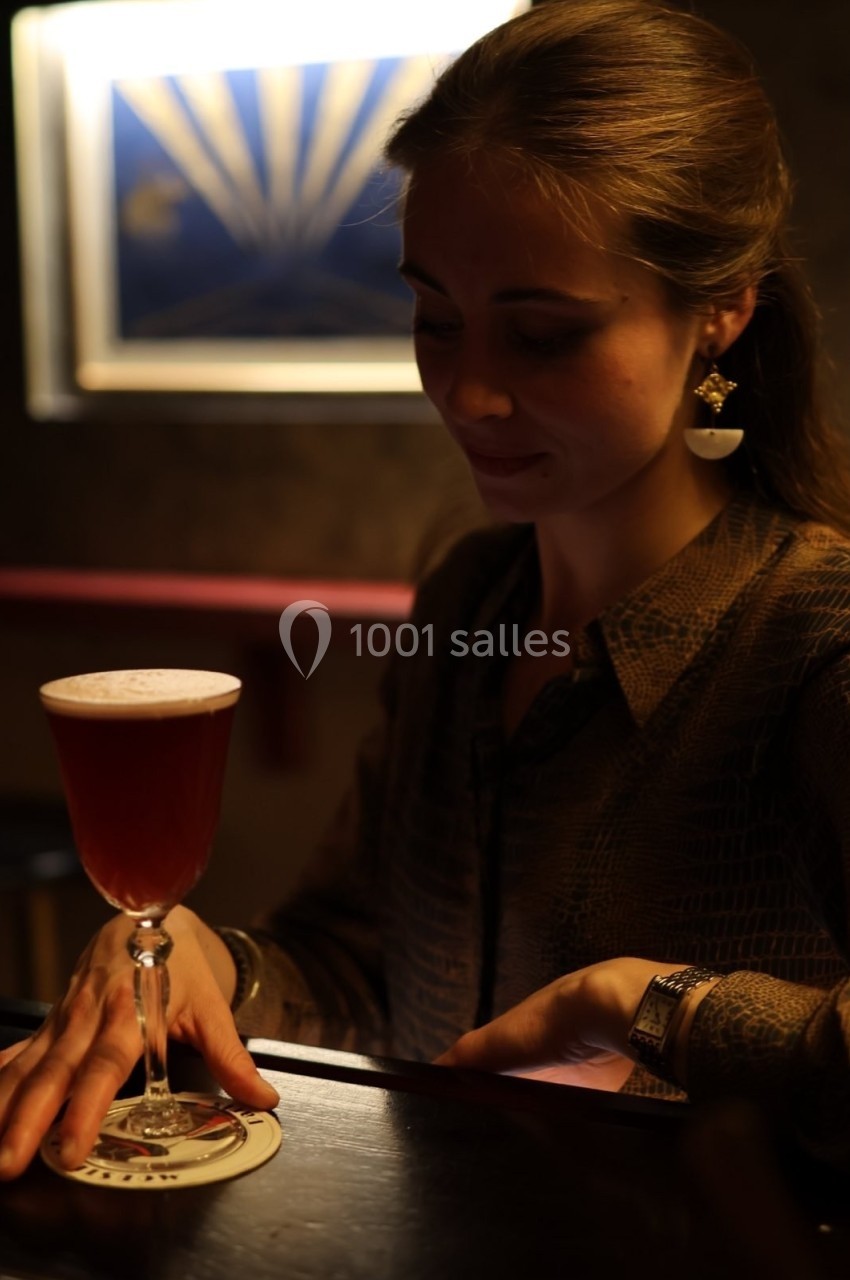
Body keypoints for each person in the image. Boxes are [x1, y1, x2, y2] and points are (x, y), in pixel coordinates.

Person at [3, 0, 850, 1178]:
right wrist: (212, 964)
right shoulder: (469, 599)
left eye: (541, 334)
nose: (468, 392)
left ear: (720, 311)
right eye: (435, 317)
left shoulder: (815, 636)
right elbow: (359, 971)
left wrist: (650, 1004)